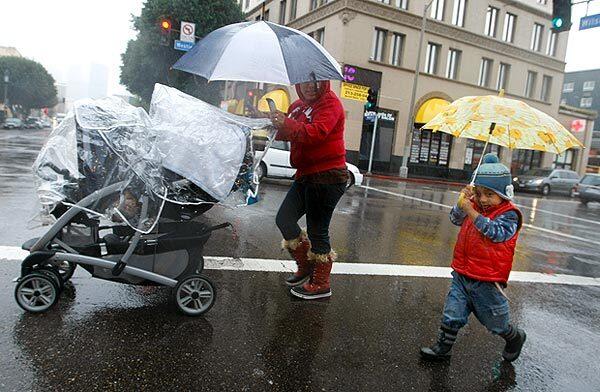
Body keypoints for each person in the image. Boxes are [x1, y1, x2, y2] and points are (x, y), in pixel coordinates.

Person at [420, 154, 526, 362]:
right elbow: (454, 218)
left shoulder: (509, 214)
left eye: (489, 194)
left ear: (504, 194)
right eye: (479, 193)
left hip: (487, 280)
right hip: (462, 273)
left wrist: (471, 211)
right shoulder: (472, 204)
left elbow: (497, 233)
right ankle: (443, 348)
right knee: (452, 312)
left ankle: (514, 337)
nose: (483, 199)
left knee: (495, 322)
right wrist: (462, 204)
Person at [269, 80, 347, 300]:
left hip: (327, 176)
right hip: (305, 174)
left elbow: (315, 133)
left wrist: (287, 124)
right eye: (305, 82)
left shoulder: (331, 104)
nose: (309, 86)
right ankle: (305, 267)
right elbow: (290, 132)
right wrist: (274, 122)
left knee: (317, 231)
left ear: (323, 82)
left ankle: (321, 284)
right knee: (284, 219)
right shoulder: (298, 106)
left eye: (315, 82)